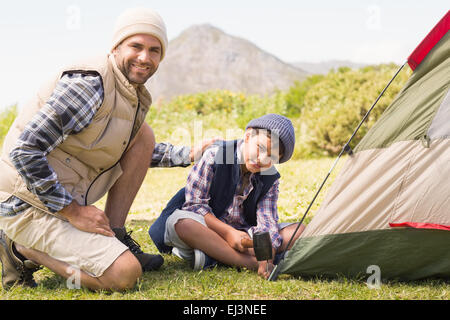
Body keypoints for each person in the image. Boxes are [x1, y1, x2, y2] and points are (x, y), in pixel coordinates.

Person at [0, 8, 214, 291]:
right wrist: (73, 212)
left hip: (58, 198)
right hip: (24, 203)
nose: (144, 58)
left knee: (143, 135)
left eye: (154, 50)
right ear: (116, 46)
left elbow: (123, 146)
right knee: (125, 274)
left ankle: (114, 235)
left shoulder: (127, 91)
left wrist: (186, 155)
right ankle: (21, 249)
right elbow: (25, 151)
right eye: (136, 46)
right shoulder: (90, 84)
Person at [149, 114, 305, 279]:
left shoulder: (270, 177)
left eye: (272, 157)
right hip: (208, 226)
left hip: (244, 234)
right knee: (184, 224)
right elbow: (195, 205)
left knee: (297, 232)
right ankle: (247, 262)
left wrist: (266, 257)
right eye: (260, 148)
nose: (262, 159)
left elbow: (267, 223)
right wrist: (229, 233)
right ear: (247, 136)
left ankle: (212, 255)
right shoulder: (215, 155)